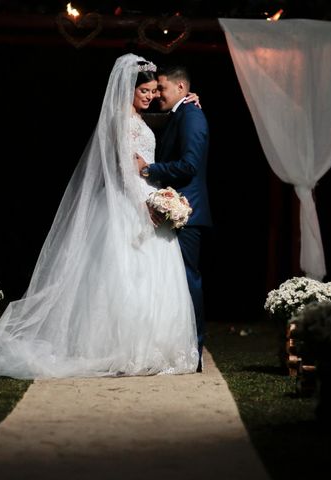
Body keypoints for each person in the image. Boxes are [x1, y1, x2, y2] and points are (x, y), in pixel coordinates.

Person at [0, 53, 199, 379]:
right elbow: (123, 170)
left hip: (144, 196)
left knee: (149, 278)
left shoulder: (140, 120)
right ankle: (120, 349)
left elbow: (166, 126)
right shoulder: (121, 121)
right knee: (122, 277)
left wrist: (188, 99)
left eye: (155, 91)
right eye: (146, 91)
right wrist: (146, 204)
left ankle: (150, 347)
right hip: (129, 202)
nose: (152, 96)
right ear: (128, 89)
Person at [136, 64, 211, 372]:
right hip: (174, 208)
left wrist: (149, 170)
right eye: (151, 90)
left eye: (162, 88)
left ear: (181, 89)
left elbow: (190, 165)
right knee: (174, 283)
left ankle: (194, 348)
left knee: (188, 280)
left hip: (187, 211)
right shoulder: (182, 112)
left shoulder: (191, 114)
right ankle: (177, 346)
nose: (156, 95)